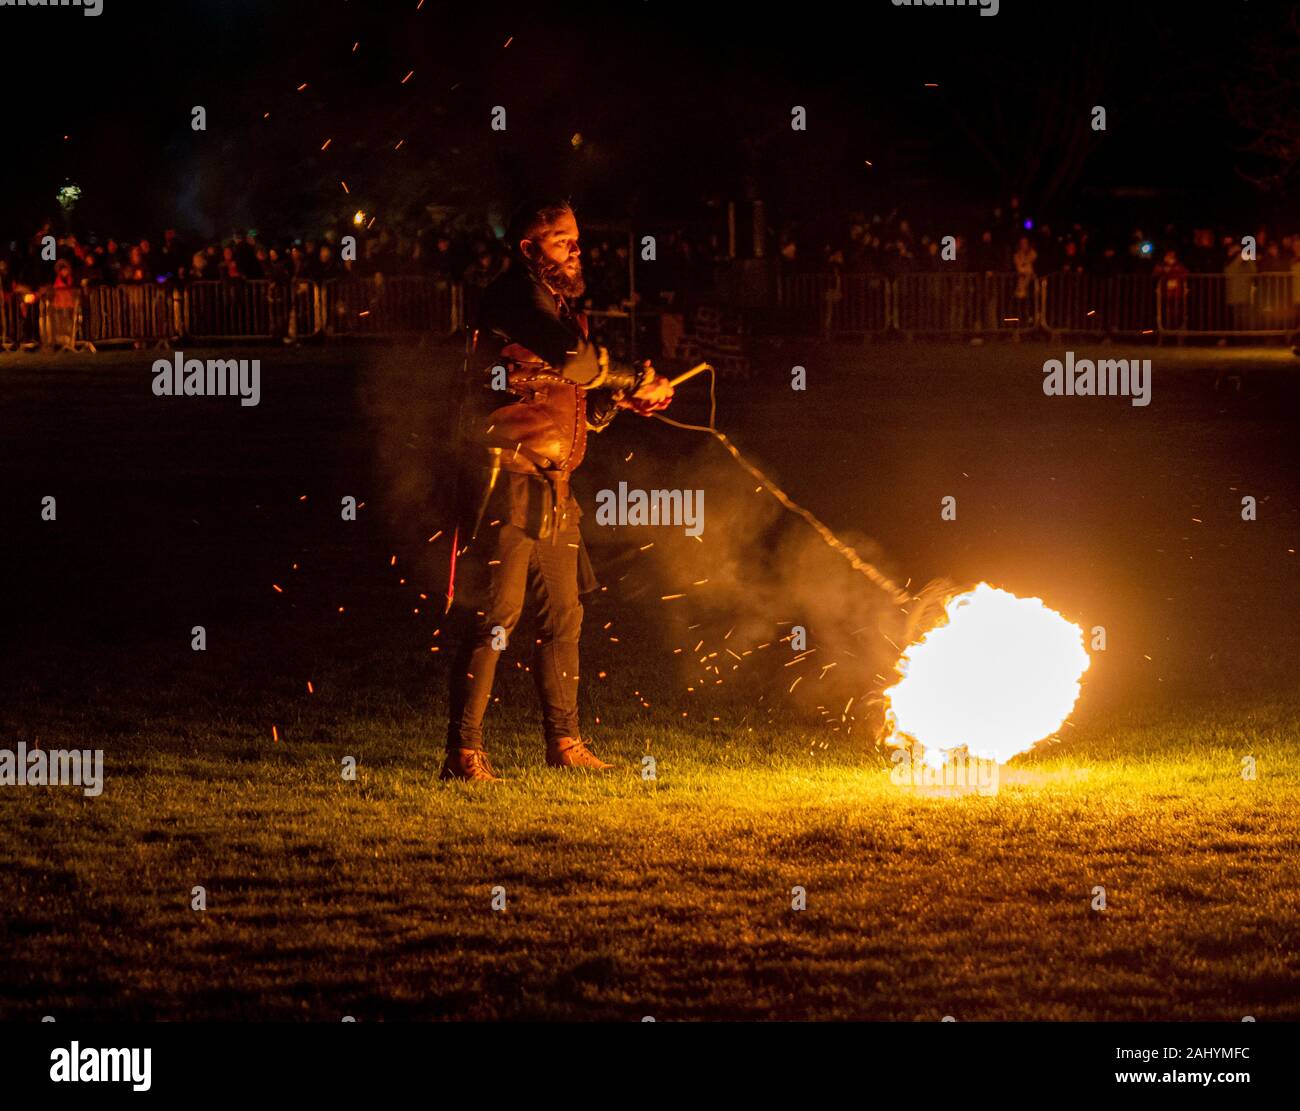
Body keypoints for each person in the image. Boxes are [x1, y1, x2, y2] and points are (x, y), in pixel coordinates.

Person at [440, 198, 674, 781]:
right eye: (561, 239)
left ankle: (565, 745)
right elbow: (574, 361)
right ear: (528, 248)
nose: (575, 248)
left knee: (564, 618)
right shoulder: (514, 296)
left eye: (575, 239)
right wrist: (632, 376)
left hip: (555, 489)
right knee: (497, 617)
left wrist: (623, 396)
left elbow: (582, 411)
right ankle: (464, 753)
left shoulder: (564, 310)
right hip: (507, 480)